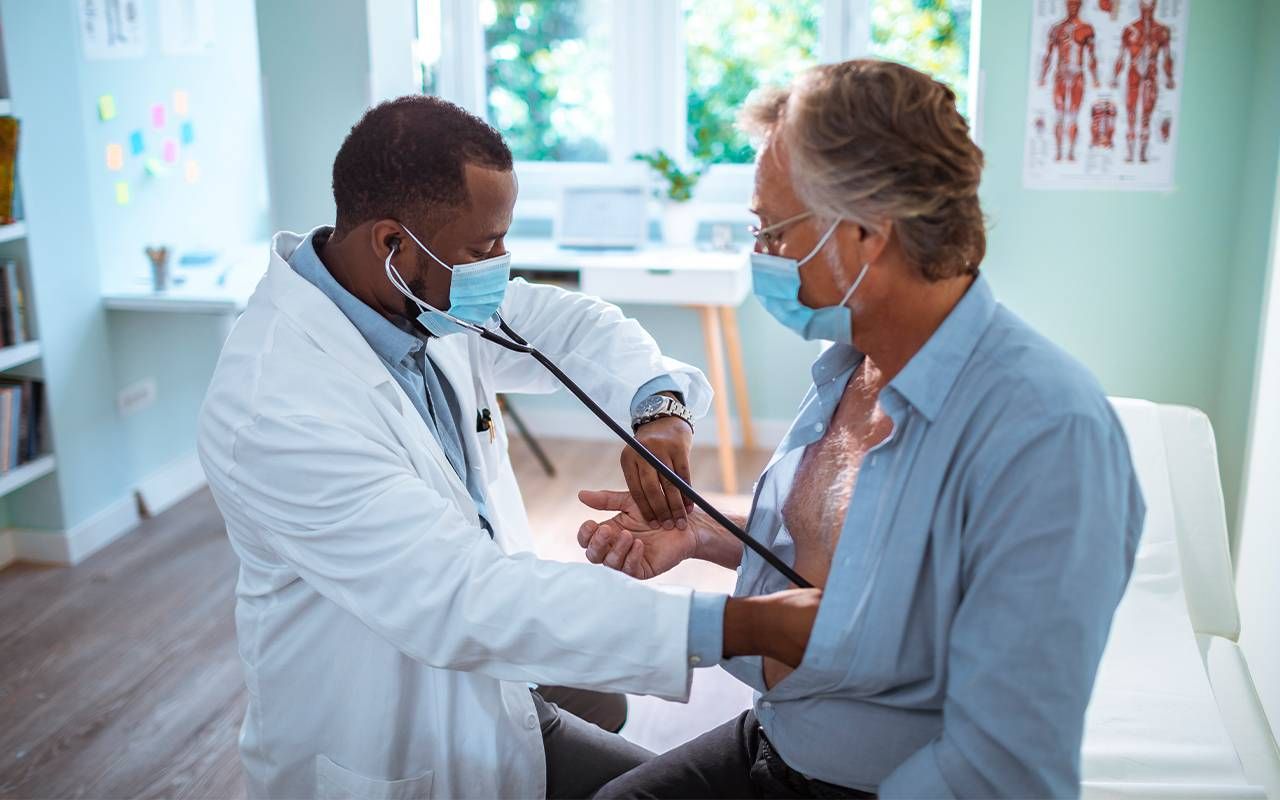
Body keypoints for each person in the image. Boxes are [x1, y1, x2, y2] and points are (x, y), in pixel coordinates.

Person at [196, 95, 821, 799]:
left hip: (488, 663)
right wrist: (740, 623)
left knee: (604, 701)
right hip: (394, 723)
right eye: (484, 247)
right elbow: (460, 598)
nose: (501, 264)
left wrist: (660, 410)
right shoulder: (275, 405)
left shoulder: (412, 297)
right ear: (392, 244)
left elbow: (575, 326)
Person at [578, 59, 1146, 798]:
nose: (762, 257)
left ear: (867, 234)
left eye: (773, 232)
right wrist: (701, 531)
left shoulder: (1047, 436)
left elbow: (1002, 769)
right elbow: (845, 544)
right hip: (774, 738)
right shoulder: (851, 367)